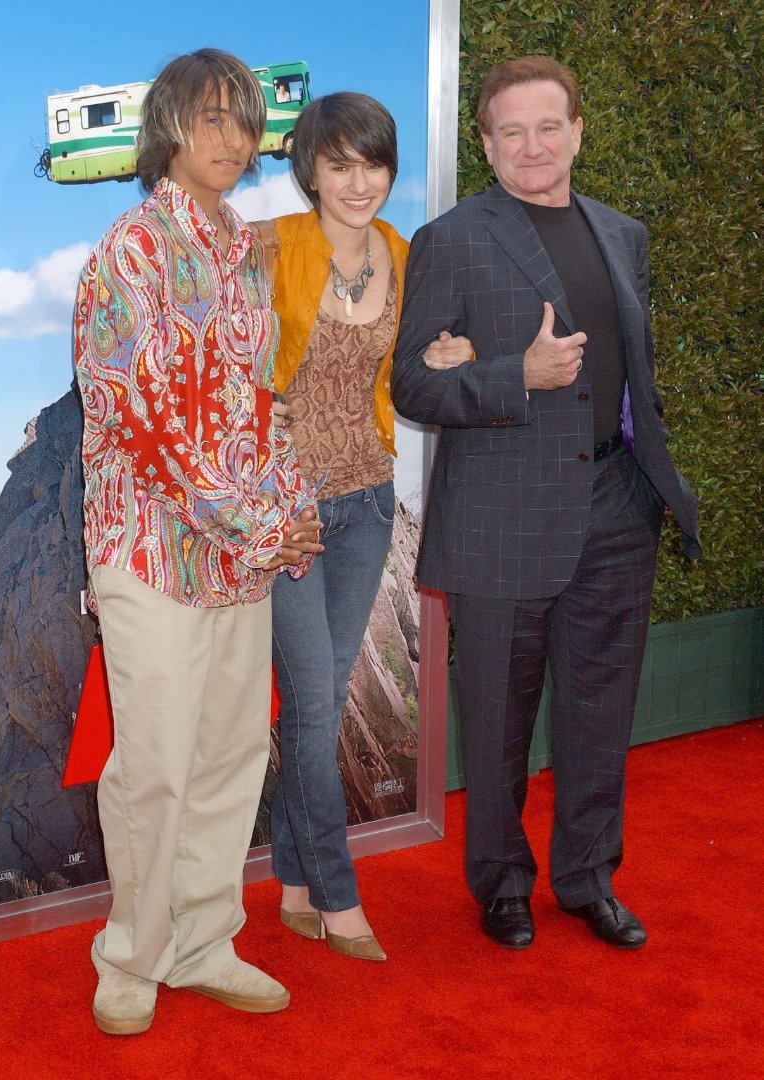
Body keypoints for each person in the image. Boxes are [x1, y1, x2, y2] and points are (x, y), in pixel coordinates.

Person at [392, 55, 700, 951]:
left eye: (549, 126)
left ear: (577, 132)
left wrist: (650, 484)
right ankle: (501, 886)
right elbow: (414, 384)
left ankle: (589, 879)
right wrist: (510, 377)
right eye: (512, 131)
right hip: (500, 518)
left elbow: (633, 374)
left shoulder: (622, 234)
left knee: (600, 714)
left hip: (616, 507)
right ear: (486, 145)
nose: (533, 145)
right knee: (494, 722)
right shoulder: (452, 239)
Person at [73, 48, 322, 1035]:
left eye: (244, 121)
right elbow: (151, 424)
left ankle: (204, 942)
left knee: (227, 754)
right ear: (168, 130)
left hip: (240, 552)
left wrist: (290, 503)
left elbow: (261, 404)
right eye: (210, 119)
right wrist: (266, 520)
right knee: (158, 764)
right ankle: (130, 955)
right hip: (148, 549)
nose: (231, 139)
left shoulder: (247, 251)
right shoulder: (130, 250)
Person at [251, 93, 470, 961]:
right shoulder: (268, 247)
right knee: (310, 704)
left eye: (373, 164)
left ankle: (296, 883)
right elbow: (232, 374)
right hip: (286, 512)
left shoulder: (405, 255)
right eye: (338, 164)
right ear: (309, 169)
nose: (358, 182)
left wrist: (448, 359)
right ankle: (340, 897)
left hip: (369, 500)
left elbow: (413, 368)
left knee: (324, 701)